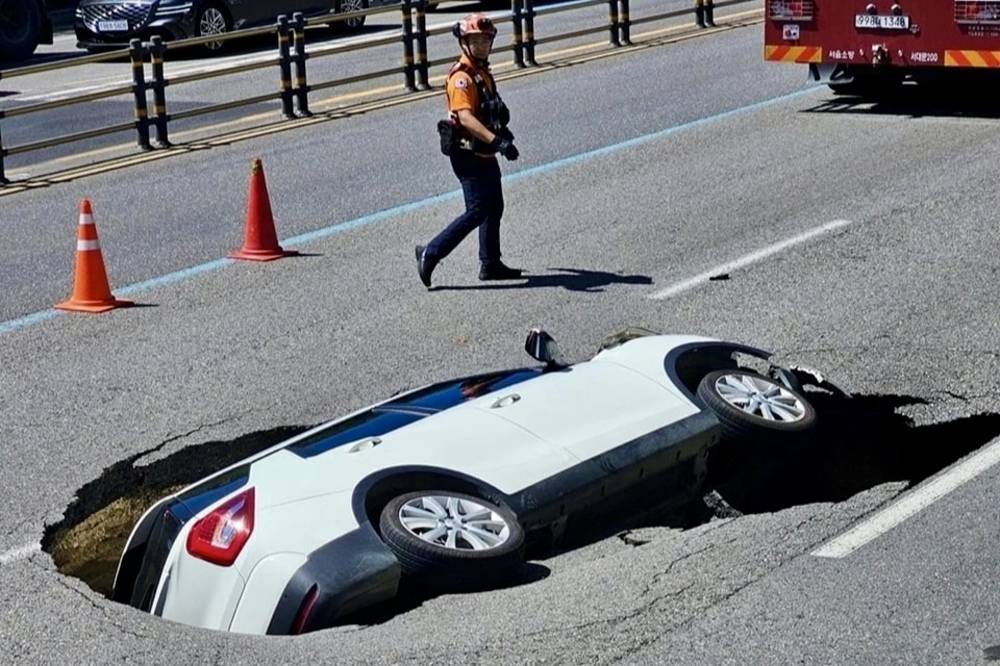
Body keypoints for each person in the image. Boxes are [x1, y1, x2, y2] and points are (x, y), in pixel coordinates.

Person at [415, 13, 522, 288]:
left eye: (486, 40)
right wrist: (497, 142)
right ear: (465, 42)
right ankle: (431, 252)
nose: (483, 45)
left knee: (494, 207)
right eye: (476, 40)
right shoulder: (461, 78)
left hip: (484, 153)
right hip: (467, 155)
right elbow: (465, 117)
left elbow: (489, 112)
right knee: (476, 210)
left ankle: (490, 263)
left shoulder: (482, 73)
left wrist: (502, 132)